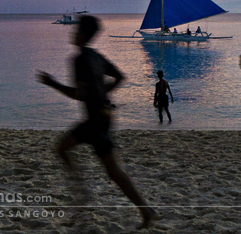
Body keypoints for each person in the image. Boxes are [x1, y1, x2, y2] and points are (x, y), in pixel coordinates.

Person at [36, 15, 157, 228]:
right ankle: (145, 211)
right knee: (107, 168)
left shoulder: (79, 59)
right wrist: (103, 92)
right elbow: (120, 77)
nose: (73, 33)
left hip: (95, 122)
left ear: (83, 34)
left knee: (70, 152)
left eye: (76, 30)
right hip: (104, 117)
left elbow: (79, 95)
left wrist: (52, 83)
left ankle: (83, 192)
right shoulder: (96, 56)